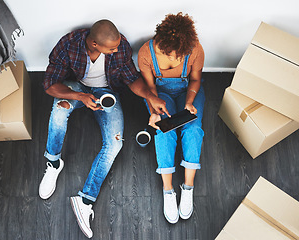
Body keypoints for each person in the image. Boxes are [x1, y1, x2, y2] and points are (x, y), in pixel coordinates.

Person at [39, 19, 169, 238]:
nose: (118, 50)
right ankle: (53, 163)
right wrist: (79, 96)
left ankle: (85, 199)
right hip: (77, 88)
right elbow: (49, 85)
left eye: (117, 46)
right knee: (60, 111)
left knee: (115, 142)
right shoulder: (69, 45)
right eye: (112, 48)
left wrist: (150, 96)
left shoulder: (122, 47)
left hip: (107, 92)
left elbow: (131, 79)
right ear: (94, 44)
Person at [137, 12, 205, 223]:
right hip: (159, 92)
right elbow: (149, 87)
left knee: (193, 129)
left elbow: (195, 79)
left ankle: (188, 187)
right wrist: (155, 110)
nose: (173, 59)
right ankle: (168, 190)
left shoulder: (195, 49)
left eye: (177, 55)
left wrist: (190, 101)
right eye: (167, 52)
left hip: (188, 90)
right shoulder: (145, 53)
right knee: (164, 130)